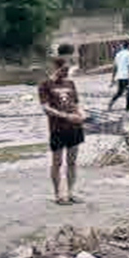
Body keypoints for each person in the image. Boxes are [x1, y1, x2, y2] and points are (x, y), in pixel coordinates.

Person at [38, 56, 85, 205]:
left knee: (72, 161)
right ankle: (58, 195)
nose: (66, 72)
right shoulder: (45, 85)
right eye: (64, 69)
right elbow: (46, 108)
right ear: (55, 68)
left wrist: (81, 114)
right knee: (57, 162)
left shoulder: (70, 83)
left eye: (68, 69)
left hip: (75, 127)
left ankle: (71, 193)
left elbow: (76, 103)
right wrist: (66, 116)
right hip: (57, 128)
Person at [109, 41, 129, 110]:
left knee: (120, 92)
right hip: (126, 76)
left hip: (119, 76)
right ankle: (127, 109)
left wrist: (112, 79)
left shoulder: (118, 54)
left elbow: (115, 67)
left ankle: (111, 103)